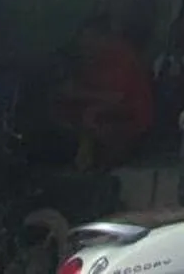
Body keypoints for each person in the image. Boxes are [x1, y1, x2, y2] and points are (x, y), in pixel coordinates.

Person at [49, 14, 155, 169]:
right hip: (99, 120)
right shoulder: (90, 59)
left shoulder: (122, 58)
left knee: (92, 118)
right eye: (83, 40)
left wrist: (77, 95)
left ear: (104, 38)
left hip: (130, 125)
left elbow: (118, 98)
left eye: (90, 39)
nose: (85, 44)